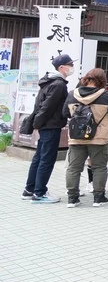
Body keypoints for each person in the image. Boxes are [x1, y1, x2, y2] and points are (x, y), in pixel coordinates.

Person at [62, 68, 108, 208]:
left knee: (73, 168)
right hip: (99, 138)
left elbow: (65, 113)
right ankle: (98, 198)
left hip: (77, 137)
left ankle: (72, 199)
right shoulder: (106, 95)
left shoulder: (72, 94)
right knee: (99, 167)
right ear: (102, 80)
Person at [22, 53, 73, 204]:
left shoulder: (48, 82)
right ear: (62, 67)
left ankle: (29, 189)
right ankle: (39, 193)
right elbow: (47, 107)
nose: (72, 68)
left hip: (45, 125)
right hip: (51, 126)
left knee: (39, 158)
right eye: (70, 65)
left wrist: (38, 123)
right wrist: (38, 123)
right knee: (46, 159)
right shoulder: (58, 84)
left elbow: (42, 106)